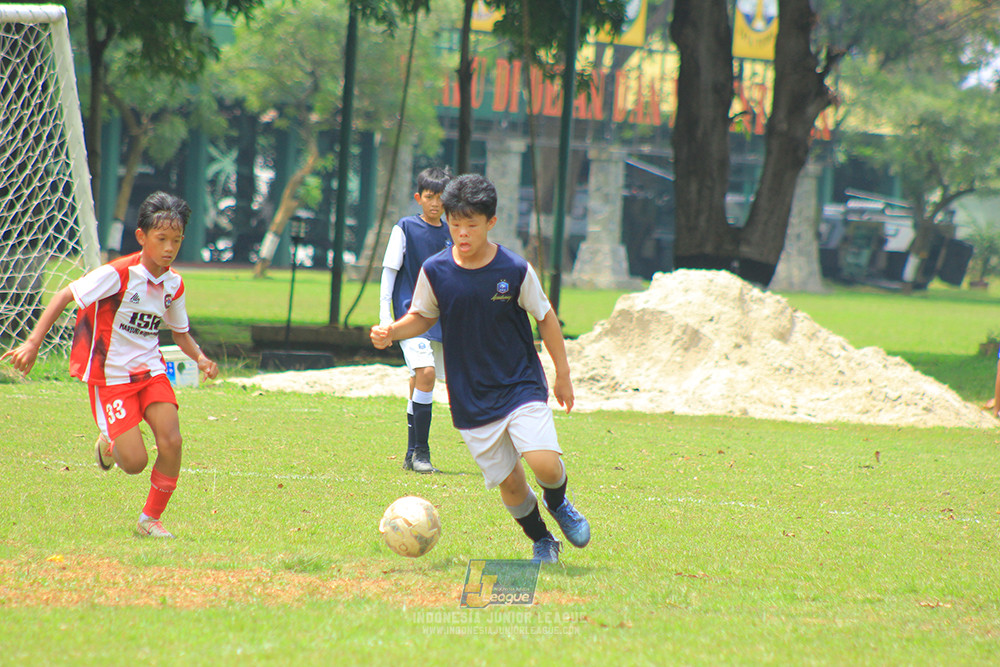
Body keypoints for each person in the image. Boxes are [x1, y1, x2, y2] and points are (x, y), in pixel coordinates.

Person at [370, 173, 590, 564]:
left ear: (490, 222)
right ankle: (542, 540)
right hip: (470, 395)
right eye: (455, 225)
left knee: (544, 463)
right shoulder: (436, 270)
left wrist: (563, 374)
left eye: (471, 225)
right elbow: (422, 315)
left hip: (520, 383)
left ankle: (558, 501)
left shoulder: (513, 269)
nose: (462, 234)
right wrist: (392, 331)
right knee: (510, 482)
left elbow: (546, 317)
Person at [2, 191, 219, 539]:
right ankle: (109, 442)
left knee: (172, 440)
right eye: (161, 239)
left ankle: (149, 519)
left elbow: (180, 335)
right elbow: (64, 295)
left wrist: (201, 358)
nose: (169, 248)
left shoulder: (174, 285)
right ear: (141, 237)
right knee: (134, 463)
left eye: (176, 240)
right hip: (111, 378)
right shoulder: (118, 274)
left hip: (151, 371)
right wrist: (32, 343)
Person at [379, 167, 453, 473]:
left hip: (442, 321)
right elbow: (389, 272)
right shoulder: (405, 228)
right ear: (418, 198)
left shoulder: (452, 233)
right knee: (425, 373)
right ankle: (422, 453)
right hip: (410, 317)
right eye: (429, 197)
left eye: (440, 198)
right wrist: (387, 319)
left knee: (421, 380)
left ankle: (411, 455)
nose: (435, 203)